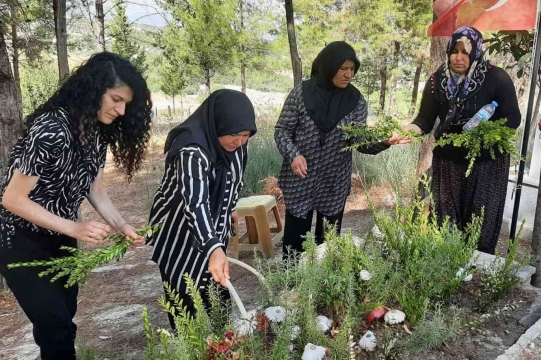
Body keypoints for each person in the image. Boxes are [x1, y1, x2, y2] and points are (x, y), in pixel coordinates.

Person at [0, 52, 152, 359]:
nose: (121, 110)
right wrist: (76, 227)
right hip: (19, 238)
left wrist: (121, 226)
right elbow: (11, 199)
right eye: (115, 99)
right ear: (94, 88)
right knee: (54, 326)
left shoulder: (96, 132)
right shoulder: (51, 128)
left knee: (64, 322)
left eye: (126, 104)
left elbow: (96, 190)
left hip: (62, 238)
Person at [391, 26, 521, 254]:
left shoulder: (497, 78)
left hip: (486, 164)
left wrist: (485, 133)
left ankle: (475, 275)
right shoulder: (437, 81)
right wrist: (408, 131)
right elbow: (424, 119)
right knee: (446, 224)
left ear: (476, 52)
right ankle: (447, 275)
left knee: (480, 224)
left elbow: (513, 117)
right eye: (454, 51)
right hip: (448, 162)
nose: (458, 57)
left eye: (465, 52)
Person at [275, 41, 396, 258]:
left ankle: (324, 288)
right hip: (299, 179)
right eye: (343, 69)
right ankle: (292, 286)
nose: (348, 74)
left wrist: (385, 141)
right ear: (330, 66)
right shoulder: (301, 93)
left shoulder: (356, 101)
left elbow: (360, 141)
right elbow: (282, 130)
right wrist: (294, 155)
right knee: (295, 241)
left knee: (328, 244)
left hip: (334, 181)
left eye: (352, 69)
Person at [147, 90, 256, 330]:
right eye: (234, 134)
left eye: (246, 135)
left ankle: (222, 344)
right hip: (178, 230)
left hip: (213, 225)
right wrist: (214, 248)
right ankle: (187, 347)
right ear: (217, 123)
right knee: (184, 300)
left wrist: (230, 205)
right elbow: (194, 204)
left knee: (218, 294)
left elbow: (234, 178)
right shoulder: (192, 150)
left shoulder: (238, 145)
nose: (239, 141)